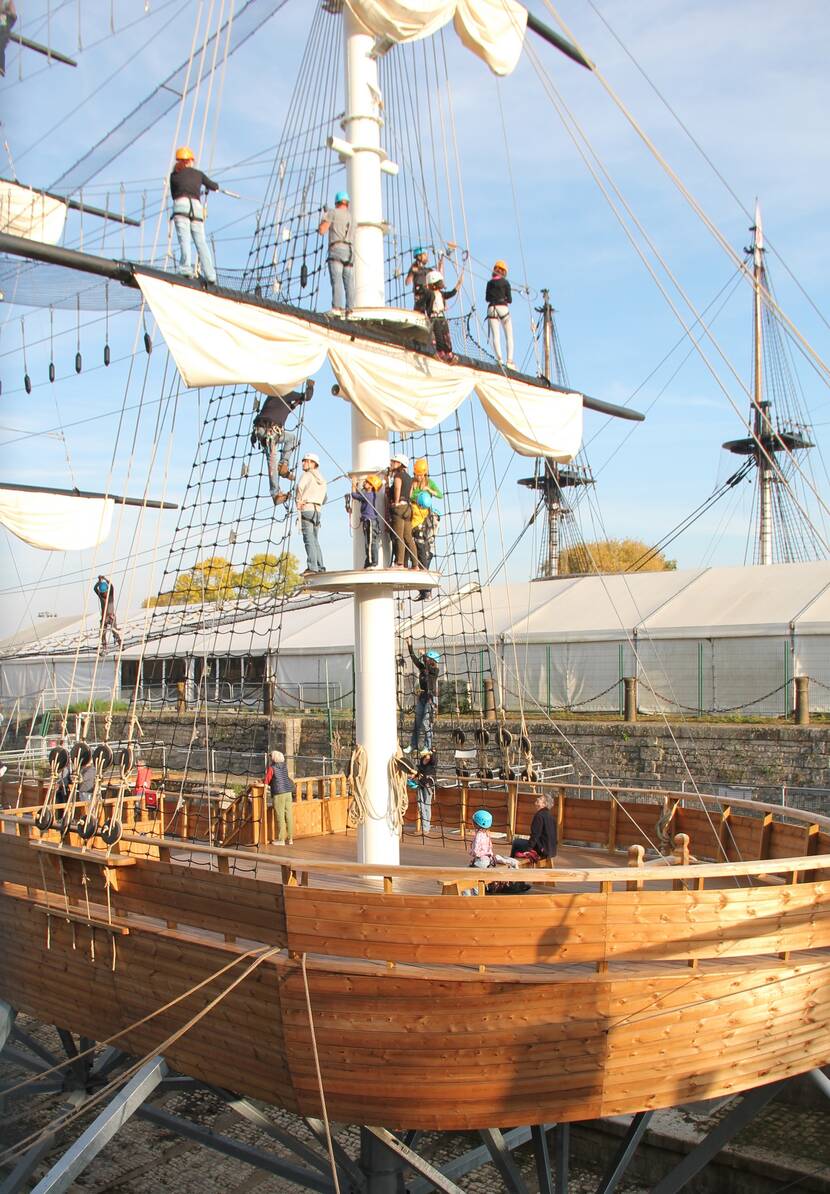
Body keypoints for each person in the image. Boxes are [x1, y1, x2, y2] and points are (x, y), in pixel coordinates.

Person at [251, 381, 314, 505]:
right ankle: (275, 492)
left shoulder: (273, 396)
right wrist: (310, 386)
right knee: (272, 461)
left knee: (291, 439)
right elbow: (307, 396)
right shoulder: (285, 393)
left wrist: (294, 404)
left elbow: (284, 409)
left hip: (263, 430)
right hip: (270, 431)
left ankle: (283, 465)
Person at [169, 146, 219, 284]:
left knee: (184, 240)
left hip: (181, 206)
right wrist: (214, 187)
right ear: (190, 160)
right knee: (201, 242)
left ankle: (185, 268)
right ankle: (210, 275)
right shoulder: (198, 174)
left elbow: (174, 194)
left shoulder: (174, 176)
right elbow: (213, 185)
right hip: (196, 208)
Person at [318, 191, 354, 314]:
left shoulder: (332, 213)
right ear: (347, 203)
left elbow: (322, 230)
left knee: (337, 279)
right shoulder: (352, 217)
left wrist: (325, 217)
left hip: (337, 249)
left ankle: (337, 308)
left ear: (336, 202)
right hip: (350, 252)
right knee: (349, 282)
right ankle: (350, 309)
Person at [406, 638, 440, 754]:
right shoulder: (423, 668)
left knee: (426, 723)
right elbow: (414, 659)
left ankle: (428, 746)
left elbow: (427, 666)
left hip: (431, 698)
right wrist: (410, 645)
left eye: (429, 659)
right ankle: (413, 745)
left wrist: (424, 655)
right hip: (422, 697)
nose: (427, 660)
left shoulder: (434, 670)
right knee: (417, 722)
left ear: (432, 661)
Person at [423, 268, 463, 364]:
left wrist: (458, 286)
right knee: (439, 336)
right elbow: (424, 302)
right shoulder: (429, 294)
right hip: (434, 317)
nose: (442, 284)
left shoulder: (440, 294)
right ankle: (440, 353)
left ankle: (449, 353)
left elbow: (450, 294)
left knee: (446, 336)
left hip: (441, 317)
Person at [296, 452, 327, 574]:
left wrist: (299, 500)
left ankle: (312, 567)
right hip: (317, 511)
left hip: (307, 508)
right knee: (315, 540)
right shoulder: (322, 479)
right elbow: (325, 498)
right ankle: (320, 567)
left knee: (309, 540)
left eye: (305, 461)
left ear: (312, 463)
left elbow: (299, 487)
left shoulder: (307, 475)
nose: (303, 463)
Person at [387, 453, 417, 568]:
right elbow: (409, 493)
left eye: (394, 462)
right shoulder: (409, 478)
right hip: (408, 508)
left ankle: (400, 563)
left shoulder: (398, 476)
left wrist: (396, 502)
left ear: (399, 464)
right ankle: (415, 565)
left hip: (400, 508)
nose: (392, 463)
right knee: (408, 537)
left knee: (398, 536)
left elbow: (397, 488)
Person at [511, 791, 558, 863]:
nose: (537, 798)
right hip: (551, 851)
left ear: (544, 804)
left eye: (540, 798)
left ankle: (512, 864)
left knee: (516, 842)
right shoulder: (551, 817)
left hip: (542, 850)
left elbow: (535, 835)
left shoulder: (539, 816)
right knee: (520, 843)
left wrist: (528, 849)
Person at [485, 259, 515, 367]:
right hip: (503, 308)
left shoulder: (489, 283)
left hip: (492, 308)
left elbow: (487, 298)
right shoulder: (506, 283)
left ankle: (499, 360)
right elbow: (510, 300)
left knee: (495, 336)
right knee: (509, 336)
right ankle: (509, 361)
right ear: (504, 272)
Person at [350, 473, 383, 568]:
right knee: (368, 542)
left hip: (370, 521)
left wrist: (353, 484)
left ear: (371, 486)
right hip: (368, 521)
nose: (364, 483)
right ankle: (369, 561)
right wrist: (356, 486)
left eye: (367, 482)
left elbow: (354, 495)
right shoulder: (370, 495)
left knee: (370, 542)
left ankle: (372, 562)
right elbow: (359, 494)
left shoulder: (368, 496)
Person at [411, 491, 439, 601]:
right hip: (427, 548)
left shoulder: (430, 521)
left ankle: (426, 592)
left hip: (426, 548)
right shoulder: (427, 515)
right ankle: (424, 592)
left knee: (423, 569)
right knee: (423, 568)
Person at [264, 749, 294, 845]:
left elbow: (267, 781)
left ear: (274, 758)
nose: (270, 758)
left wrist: (264, 794)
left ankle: (281, 840)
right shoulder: (284, 766)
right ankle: (290, 839)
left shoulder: (272, 768)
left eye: (271, 757)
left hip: (279, 793)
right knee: (288, 815)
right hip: (288, 792)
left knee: (280, 816)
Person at [404, 246, 444, 313]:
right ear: (419, 257)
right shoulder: (414, 269)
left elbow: (438, 277)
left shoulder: (429, 270)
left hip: (430, 299)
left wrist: (441, 265)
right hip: (421, 298)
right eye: (425, 255)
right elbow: (407, 282)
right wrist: (412, 271)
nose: (427, 257)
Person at [93, 575, 122, 648]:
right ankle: (104, 646)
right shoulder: (101, 596)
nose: (104, 594)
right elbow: (95, 589)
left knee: (115, 631)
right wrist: (99, 581)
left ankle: (120, 644)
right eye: (102, 593)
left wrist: (105, 579)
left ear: (107, 590)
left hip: (111, 617)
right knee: (102, 633)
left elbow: (111, 586)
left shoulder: (110, 596)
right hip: (104, 618)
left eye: (104, 592)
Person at [416, 749, 436, 835]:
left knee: (427, 807)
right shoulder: (421, 760)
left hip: (428, 786)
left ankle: (426, 828)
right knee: (421, 806)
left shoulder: (432, 761)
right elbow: (420, 771)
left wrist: (432, 753)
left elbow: (434, 760)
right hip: (421, 784)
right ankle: (425, 827)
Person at [0, 1, 16, 78]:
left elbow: (13, 15)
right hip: (4, 17)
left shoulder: (8, 2)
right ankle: (1, 67)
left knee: (1, 43)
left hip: (6, 17)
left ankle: (1, 66)